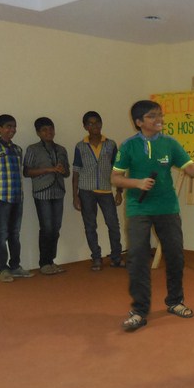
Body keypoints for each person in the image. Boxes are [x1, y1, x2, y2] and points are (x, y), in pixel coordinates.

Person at [111, 100, 194, 332]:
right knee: (137, 258)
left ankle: (175, 301)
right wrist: (137, 183)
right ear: (139, 122)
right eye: (152, 116)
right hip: (139, 209)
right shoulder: (128, 146)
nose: (159, 119)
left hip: (167, 208)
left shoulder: (170, 144)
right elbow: (115, 178)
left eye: (160, 115)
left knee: (175, 255)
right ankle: (139, 311)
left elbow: (189, 168)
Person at [72, 111, 125, 271]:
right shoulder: (80, 146)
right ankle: (96, 258)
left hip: (105, 190)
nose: (94, 126)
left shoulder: (111, 144)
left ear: (101, 124)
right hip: (86, 191)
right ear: (85, 127)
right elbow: (76, 172)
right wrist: (75, 196)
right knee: (90, 226)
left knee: (113, 224)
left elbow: (118, 169)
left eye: (97, 123)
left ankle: (116, 257)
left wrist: (119, 192)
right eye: (90, 123)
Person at [0, 114, 33, 282]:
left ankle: (15, 266)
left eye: (14, 126)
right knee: (2, 234)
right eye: (8, 126)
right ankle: (3, 269)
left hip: (17, 198)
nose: (12, 130)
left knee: (15, 233)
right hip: (2, 198)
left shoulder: (18, 150)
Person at [23, 117, 70, 276]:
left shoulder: (62, 149)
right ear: (38, 133)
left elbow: (67, 173)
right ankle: (44, 263)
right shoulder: (32, 149)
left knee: (56, 228)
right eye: (44, 130)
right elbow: (26, 172)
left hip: (58, 191)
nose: (49, 132)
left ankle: (51, 261)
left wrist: (62, 170)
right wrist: (49, 169)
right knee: (47, 228)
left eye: (51, 129)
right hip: (42, 192)